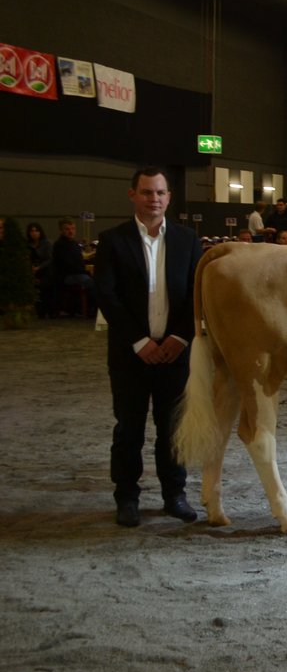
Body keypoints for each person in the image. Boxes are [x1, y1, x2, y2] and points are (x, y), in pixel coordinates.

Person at [93, 166, 202, 528]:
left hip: (175, 354)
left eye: (159, 192)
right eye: (146, 192)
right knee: (129, 430)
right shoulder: (112, 240)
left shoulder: (188, 240)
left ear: (169, 197)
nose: (153, 199)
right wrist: (139, 342)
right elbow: (106, 295)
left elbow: (196, 294)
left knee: (173, 429)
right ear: (132, 195)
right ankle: (127, 497)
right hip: (130, 355)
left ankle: (175, 495)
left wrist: (179, 338)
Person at [52, 217, 94, 315]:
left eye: (73, 228)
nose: (71, 231)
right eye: (67, 229)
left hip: (76, 273)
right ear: (61, 231)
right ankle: (91, 310)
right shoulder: (60, 245)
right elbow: (69, 265)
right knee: (93, 283)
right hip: (67, 276)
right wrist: (85, 270)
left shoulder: (74, 244)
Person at [26, 222, 54, 316]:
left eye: (36, 231)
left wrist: (39, 267)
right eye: (32, 231)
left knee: (45, 284)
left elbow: (49, 259)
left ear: (40, 232)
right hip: (32, 270)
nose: (34, 233)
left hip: (45, 270)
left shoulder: (46, 243)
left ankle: (48, 309)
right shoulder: (27, 245)